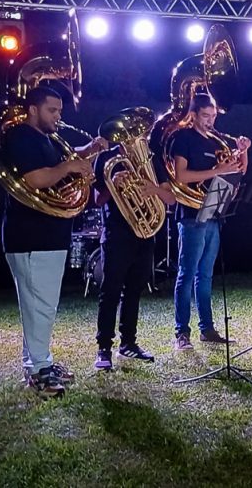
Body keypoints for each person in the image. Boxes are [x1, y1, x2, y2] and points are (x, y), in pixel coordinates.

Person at [1, 86, 107, 397]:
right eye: (52, 111)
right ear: (33, 110)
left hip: (46, 234)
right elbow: (34, 179)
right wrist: (70, 167)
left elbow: (67, 162)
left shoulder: (46, 139)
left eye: (60, 111)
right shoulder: (21, 136)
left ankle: (37, 362)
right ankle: (39, 370)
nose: (58, 117)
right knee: (40, 307)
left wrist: (90, 151)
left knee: (41, 306)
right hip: (31, 235)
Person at [169, 93, 251, 350]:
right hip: (191, 214)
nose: (210, 121)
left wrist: (243, 153)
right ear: (193, 115)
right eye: (206, 116)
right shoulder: (183, 138)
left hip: (213, 212)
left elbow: (238, 171)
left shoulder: (217, 141)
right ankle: (182, 332)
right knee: (187, 274)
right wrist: (217, 171)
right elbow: (181, 176)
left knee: (205, 275)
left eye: (213, 116)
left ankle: (207, 328)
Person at [91, 133, 178, 370]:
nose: (136, 138)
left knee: (134, 291)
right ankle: (104, 348)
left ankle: (128, 343)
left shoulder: (153, 160)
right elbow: (98, 200)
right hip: (116, 234)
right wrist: (112, 184)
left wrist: (153, 189)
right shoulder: (106, 159)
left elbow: (170, 199)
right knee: (110, 291)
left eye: (140, 133)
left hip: (145, 233)